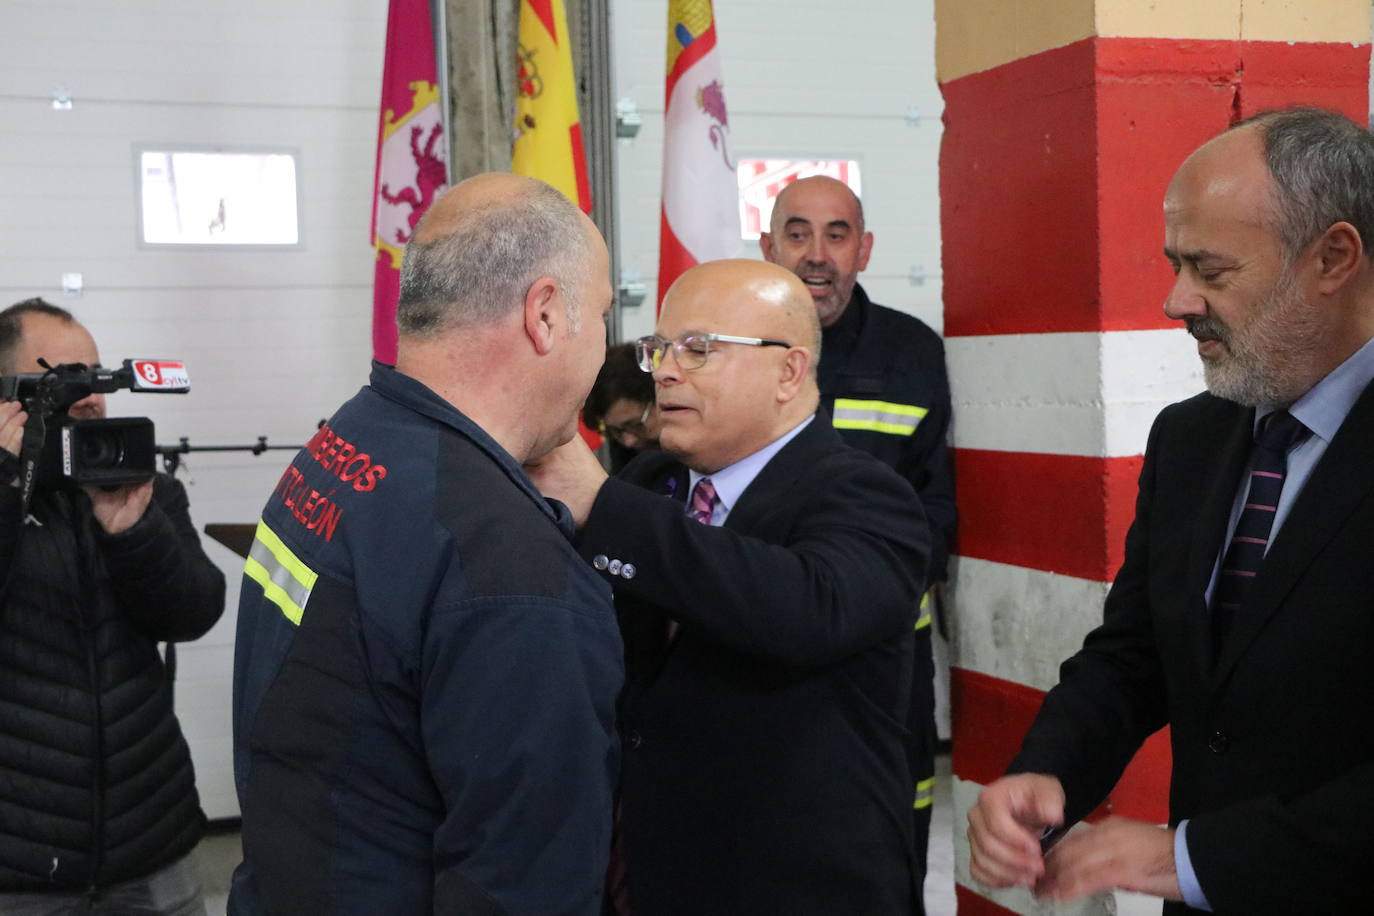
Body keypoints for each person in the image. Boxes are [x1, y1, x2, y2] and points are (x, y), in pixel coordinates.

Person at [966, 107, 1374, 914]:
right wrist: (1048, 772)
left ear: (1333, 257)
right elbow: (1136, 653)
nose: (1174, 299)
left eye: (1210, 270)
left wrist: (1189, 857)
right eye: (1174, 263)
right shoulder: (1192, 438)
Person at [230, 174, 624, 915]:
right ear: (544, 314)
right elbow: (523, 889)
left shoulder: (347, 441)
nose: (606, 345)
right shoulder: (513, 572)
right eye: (602, 314)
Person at [528, 259, 931, 915]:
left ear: (789, 372)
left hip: (798, 886)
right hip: (653, 874)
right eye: (659, 348)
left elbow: (802, 609)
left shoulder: (865, 494)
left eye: (699, 349)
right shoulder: (648, 482)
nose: (665, 371)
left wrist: (602, 508)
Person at [761, 174, 954, 903]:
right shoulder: (732, 350)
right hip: (761, 645)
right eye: (799, 232)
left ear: (864, 249)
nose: (817, 254)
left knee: (891, 834)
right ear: (768, 246)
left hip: (887, 657)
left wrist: (867, 600)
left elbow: (937, 508)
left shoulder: (911, 353)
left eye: (836, 234)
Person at [0, 299, 226, 915]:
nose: (92, 397)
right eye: (65, 379)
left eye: (98, 378)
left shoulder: (144, 488)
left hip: (151, 843)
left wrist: (133, 530)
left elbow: (194, 612)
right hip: (20, 869)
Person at [582, 342, 661, 471]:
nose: (628, 441)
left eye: (636, 425)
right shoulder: (623, 457)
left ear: (660, 400)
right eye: (616, 431)